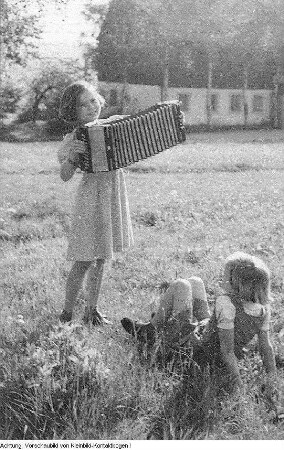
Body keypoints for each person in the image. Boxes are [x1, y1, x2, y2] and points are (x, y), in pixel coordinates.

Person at [121, 252, 278, 392]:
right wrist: (272, 377)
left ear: (235, 283)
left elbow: (227, 351)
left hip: (198, 352)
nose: (221, 280)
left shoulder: (227, 303)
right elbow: (266, 347)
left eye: (225, 277)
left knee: (181, 285)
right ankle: (160, 323)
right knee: (196, 282)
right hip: (210, 340)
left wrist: (238, 383)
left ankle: (152, 331)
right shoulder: (262, 310)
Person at [58, 81, 134, 325]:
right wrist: (72, 156)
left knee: (102, 257)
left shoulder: (113, 126)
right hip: (91, 200)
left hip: (111, 195)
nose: (91, 107)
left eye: (93, 100)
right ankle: (67, 312)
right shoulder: (73, 139)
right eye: (83, 105)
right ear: (73, 111)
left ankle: (92, 311)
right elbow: (65, 175)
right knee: (83, 259)